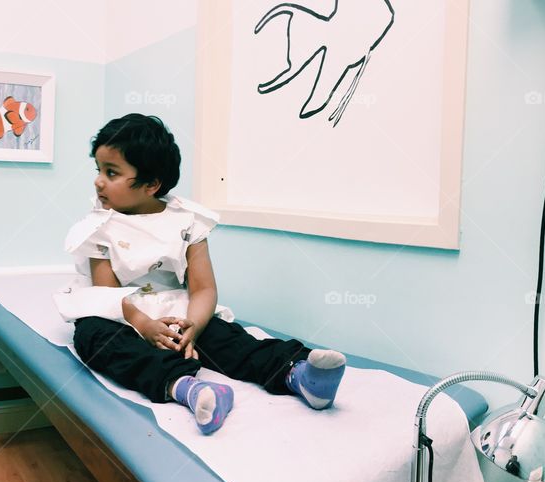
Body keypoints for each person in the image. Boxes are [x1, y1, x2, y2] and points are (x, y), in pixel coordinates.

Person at [54, 113, 347, 435]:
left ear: (151, 184)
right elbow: (107, 294)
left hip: (178, 313)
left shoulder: (188, 221)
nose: (98, 181)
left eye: (111, 173)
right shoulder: (98, 226)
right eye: (98, 170)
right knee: (91, 335)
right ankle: (187, 387)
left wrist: (192, 327)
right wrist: (145, 326)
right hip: (124, 315)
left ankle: (300, 376)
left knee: (226, 338)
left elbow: (203, 288)